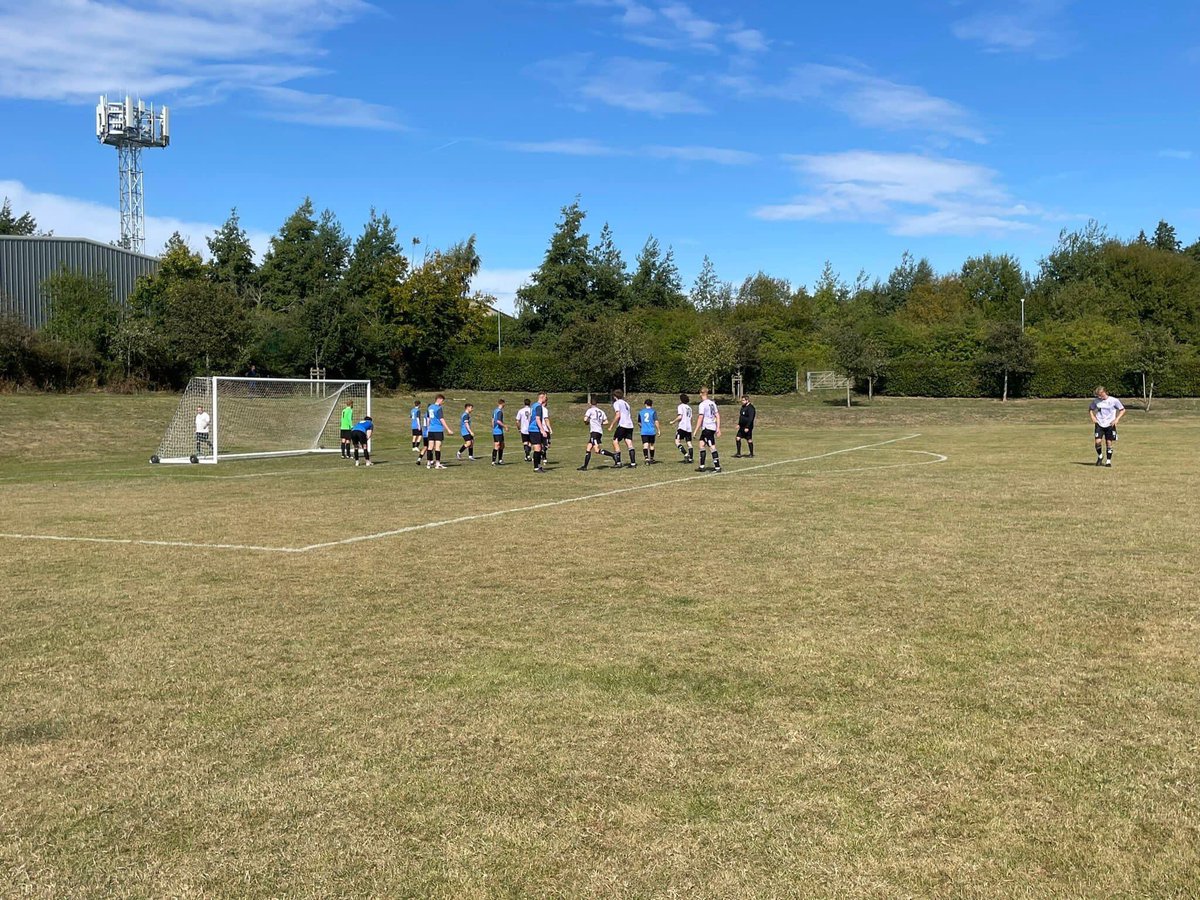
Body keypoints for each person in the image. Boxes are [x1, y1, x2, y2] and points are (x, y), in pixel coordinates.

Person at [1090, 386, 1125, 467]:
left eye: (1099, 395)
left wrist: (1116, 419)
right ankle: (1100, 456)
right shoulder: (1096, 401)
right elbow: (1091, 409)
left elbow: (1122, 410)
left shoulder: (1114, 400)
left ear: (1104, 393)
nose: (1098, 397)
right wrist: (1092, 417)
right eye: (1097, 395)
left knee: (1108, 443)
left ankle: (1108, 461)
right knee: (1097, 442)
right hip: (1099, 423)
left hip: (1110, 424)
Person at [578, 398, 615, 470]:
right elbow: (606, 422)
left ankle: (613, 455)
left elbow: (585, 419)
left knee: (597, 450)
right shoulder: (601, 411)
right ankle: (584, 466)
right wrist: (599, 423)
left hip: (594, 432)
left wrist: (587, 422)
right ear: (597, 404)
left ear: (590, 404)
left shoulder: (590, 410)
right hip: (599, 431)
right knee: (588, 448)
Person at [695, 387, 722, 473]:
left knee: (712, 446)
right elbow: (717, 416)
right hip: (711, 427)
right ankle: (702, 466)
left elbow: (700, 417)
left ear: (701, 394)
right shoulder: (712, 403)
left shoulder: (702, 404)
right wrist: (717, 428)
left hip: (707, 428)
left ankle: (717, 467)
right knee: (701, 444)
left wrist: (695, 430)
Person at [608, 389, 637, 468]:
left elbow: (618, 415)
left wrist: (611, 425)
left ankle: (618, 463)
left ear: (614, 397)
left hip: (623, 424)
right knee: (629, 442)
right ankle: (633, 463)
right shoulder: (626, 404)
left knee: (615, 441)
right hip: (630, 425)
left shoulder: (617, 403)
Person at [425, 394, 451, 469]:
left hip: (431, 430)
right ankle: (437, 464)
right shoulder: (439, 408)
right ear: (439, 399)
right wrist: (448, 429)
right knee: (437, 447)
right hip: (438, 429)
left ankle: (428, 463)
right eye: (442, 401)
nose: (442, 402)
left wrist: (428, 428)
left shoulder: (430, 407)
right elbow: (441, 419)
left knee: (430, 447)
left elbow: (428, 418)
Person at [529, 391, 550, 473]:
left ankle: (538, 466)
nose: (546, 398)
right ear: (542, 397)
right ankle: (536, 467)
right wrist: (542, 430)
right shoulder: (538, 406)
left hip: (533, 429)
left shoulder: (533, 405)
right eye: (545, 397)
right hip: (535, 429)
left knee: (539, 448)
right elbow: (537, 419)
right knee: (537, 448)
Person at [672, 393, 694, 463]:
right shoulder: (689, 408)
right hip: (688, 427)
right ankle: (691, 458)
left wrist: (673, 421)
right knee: (689, 443)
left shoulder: (681, 406)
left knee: (677, 441)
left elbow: (680, 417)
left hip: (682, 427)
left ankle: (686, 454)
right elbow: (691, 418)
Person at [638, 398, 660, 464]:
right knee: (652, 445)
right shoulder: (653, 411)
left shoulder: (641, 412)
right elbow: (656, 421)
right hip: (651, 431)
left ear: (645, 404)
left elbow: (639, 422)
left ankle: (646, 458)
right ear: (651, 404)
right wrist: (658, 430)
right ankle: (652, 458)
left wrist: (642, 426)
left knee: (645, 444)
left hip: (644, 431)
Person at [734, 394, 757, 458]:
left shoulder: (751, 408)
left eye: (743, 400)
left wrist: (747, 427)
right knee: (737, 438)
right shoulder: (743, 407)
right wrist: (739, 424)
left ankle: (751, 454)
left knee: (749, 439)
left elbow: (751, 418)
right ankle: (738, 453)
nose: (742, 401)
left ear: (747, 400)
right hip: (741, 427)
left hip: (748, 427)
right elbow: (741, 416)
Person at [491, 398, 508, 465]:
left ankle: (500, 460)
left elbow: (492, 419)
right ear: (503, 404)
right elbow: (498, 421)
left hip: (497, 431)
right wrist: (505, 426)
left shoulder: (495, 411)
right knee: (497, 445)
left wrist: (493, 427)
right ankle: (494, 461)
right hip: (498, 431)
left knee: (502, 445)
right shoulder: (499, 412)